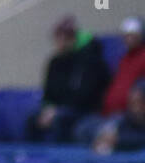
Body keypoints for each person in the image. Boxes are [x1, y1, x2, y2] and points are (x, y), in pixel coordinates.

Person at [25, 15, 111, 144]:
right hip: (59, 109)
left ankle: (60, 160)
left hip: (84, 110)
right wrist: (48, 109)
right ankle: (32, 160)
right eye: (58, 37)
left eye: (64, 37)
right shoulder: (54, 62)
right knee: (32, 118)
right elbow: (48, 93)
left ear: (72, 38)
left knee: (60, 120)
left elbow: (86, 94)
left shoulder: (89, 60)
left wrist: (57, 111)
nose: (60, 42)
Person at [98, 17, 145, 125]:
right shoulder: (124, 59)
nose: (129, 39)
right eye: (126, 36)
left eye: (133, 36)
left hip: (128, 116)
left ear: (142, 36)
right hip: (108, 114)